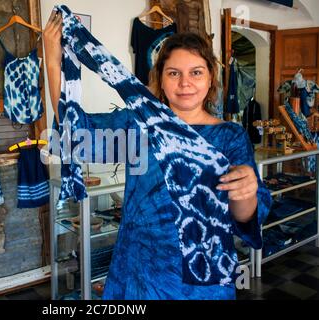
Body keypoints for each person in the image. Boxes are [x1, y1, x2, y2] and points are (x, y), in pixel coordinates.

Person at [43, 9, 271, 300]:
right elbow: (77, 135)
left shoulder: (230, 137)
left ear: (210, 77)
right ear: (160, 80)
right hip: (140, 274)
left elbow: (246, 220)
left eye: (196, 72)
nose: (185, 83)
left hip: (203, 281)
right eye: (173, 73)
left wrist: (246, 193)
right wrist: (52, 58)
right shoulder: (137, 127)